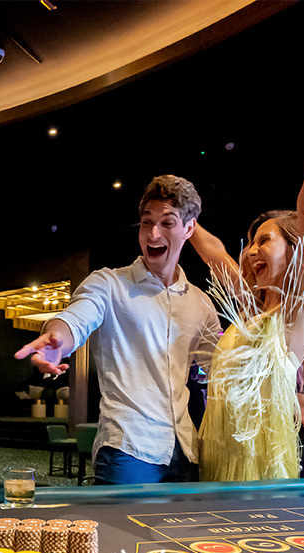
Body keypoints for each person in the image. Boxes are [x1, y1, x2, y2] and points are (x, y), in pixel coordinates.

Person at [189, 58, 304, 481]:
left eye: (265, 240)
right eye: (251, 243)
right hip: (215, 468)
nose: (252, 251)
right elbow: (215, 254)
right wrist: (181, 218)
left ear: (295, 251)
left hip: (260, 475)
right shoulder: (248, 313)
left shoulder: (300, 312)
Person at [15, 176, 221, 484]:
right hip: (128, 448)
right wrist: (57, 339)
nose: (153, 233)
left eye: (167, 223)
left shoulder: (201, 303)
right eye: (146, 222)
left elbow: (223, 369)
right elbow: (76, 318)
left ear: (188, 229)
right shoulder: (109, 283)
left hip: (186, 450)